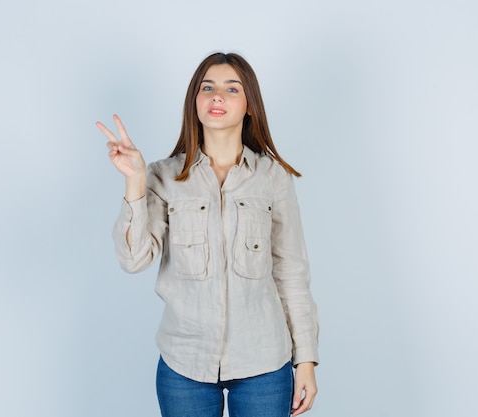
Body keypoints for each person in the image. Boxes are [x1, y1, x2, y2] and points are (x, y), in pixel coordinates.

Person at [96, 52, 319, 417]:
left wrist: (305, 360)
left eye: (232, 89)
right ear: (194, 101)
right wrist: (135, 180)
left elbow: (292, 273)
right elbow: (134, 260)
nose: (218, 96)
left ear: (249, 105)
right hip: (185, 364)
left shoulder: (272, 177)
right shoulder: (163, 176)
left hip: (264, 361)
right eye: (208, 87)